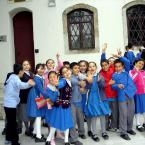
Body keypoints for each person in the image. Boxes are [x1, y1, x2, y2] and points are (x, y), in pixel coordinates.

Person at [3, 64, 35, 145]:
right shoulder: (16, 78)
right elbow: (21, 85)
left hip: (7, 104)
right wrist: (29, 83)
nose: (23, 74)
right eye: (23, 72)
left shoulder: (11, 77)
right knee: (13, 124)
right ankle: (14, 142)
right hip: (11, 105)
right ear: (20, 71)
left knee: (10, 123)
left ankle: (8, 139)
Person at [45, 68, 73, 145]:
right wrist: (57, 84)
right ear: (62, 75)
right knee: (55, 123)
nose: (66, 73)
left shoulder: (69, 81)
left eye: (67, 71)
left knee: (67, 122)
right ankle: (49, 139)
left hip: (66, 106)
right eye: (64, 72)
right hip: (59, 106)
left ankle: (66, 140)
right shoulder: (63, 81)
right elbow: (59, 84)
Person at [85, 62, 110, 142]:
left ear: (96, 68)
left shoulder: (100, 76)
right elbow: (87, 87)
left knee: (102, 115)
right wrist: (89, 79)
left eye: (93, 66)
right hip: (92, 98)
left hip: (100, 98)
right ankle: (94, 133)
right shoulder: (88, 77)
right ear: (88, 68)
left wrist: (99, 81)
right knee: (94, 116)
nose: (92, 68)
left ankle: (104, 132)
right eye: (90, 66)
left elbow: (103, 86)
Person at [112, 59, 136, 140]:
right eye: (116, 67)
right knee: (123, 114)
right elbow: (112, 86)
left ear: (122, 67)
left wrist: (120, 56)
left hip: (130, 95)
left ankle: (129, 128)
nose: (118, 68)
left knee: (131, 113)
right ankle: (123, 132)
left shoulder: (126, 73)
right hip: (121, 96)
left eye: (119, 66)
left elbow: (128, 62)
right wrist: (117, 85)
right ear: (114, 67)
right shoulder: (114, 75)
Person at [27, 63, 48, 143]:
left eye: (43, 69)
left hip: (37, 96)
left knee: (38, 116)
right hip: (35, 97)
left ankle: (35, 132)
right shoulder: (37, 78)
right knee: (38, 116)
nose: (42, 70)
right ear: (36, 69)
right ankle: (38, 137)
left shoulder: (40, 77)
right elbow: (41, 90)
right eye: (40, 68)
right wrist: (49, 97)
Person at [69, 62, 86, 145]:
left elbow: (84, 86)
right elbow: (73, 82)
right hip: (71, 102)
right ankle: (73, 139)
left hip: (79, 100)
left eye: (78, 68)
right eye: (75, 68)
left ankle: (81, 132)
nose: (78, 69)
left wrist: (83, 88)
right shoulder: (69, 77)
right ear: (71, 69)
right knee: (73, 120)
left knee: (80, 118)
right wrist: (80, 83)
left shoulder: (79, 77)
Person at [17, 60, 35, 136]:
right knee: (25, 114)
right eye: (24, 65)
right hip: (24, 97)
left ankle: (31, 127)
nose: (26, 66)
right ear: (22, 67)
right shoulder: (21, 75)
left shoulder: (32, 74)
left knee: (33, 113)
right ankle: (27, 129)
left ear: (30, 66)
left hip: (33, 97)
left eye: (27, 64)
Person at [129, 59, 145, 132]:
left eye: (142, 64)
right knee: (138, 109)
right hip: (137, 93)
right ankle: (138, 124)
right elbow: (131, 81)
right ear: (135, 63)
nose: (140, 65)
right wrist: (137, 72)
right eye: (139, 63)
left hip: (143, 93)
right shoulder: (131, 72)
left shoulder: (143, 72)